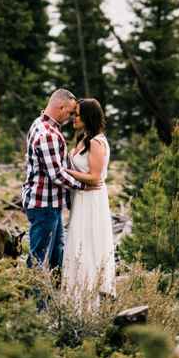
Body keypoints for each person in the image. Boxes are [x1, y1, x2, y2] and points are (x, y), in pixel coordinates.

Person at [22, 88, 87, 273]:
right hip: (44, 205)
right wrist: (84, 185)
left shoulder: (39, 123)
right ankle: (37, 301)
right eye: (70, 112)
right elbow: (56, 174)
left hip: (49, 203)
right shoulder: (48, 134)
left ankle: (53, 298)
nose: (71, 116)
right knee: (39, 258)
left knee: (56, 253)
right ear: (60, 106)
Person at [61, 97, 116, 309]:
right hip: (81, 198)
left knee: (88, 247)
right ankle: (75, 301)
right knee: (77, 246)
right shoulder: (83, 140)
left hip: (91, 200)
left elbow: (95, 177)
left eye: (77, 114)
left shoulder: (96, 142)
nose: (74, 118)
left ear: (88, 117)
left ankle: (89, 304)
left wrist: (64, 171)